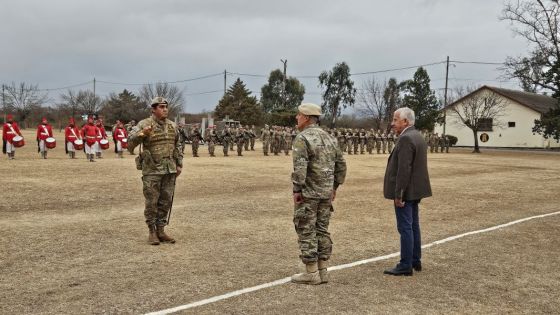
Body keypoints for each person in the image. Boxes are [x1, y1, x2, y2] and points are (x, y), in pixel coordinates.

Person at [290, 103, 347, 285]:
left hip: (308, 193)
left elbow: (300, 169)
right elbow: (341, 166)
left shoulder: (302, 138)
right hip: (325, 194)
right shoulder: (330, 138)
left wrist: (297, 189)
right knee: (322, 230)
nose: (296, 118)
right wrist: (334, 187)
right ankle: (323, 271)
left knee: (306, 229)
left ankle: (311, 273)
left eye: (299, 115)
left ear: (306, 117)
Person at [128, 97, 183, 245]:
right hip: (152, 170)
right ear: (153, 109)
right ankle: (152, 232)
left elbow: (178, 145)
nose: (165, 109)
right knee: (152, 202)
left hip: (169, 170)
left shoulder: (172, 125)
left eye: (166, 106)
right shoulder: (144, 124)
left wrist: (179, 164)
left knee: (165, 201)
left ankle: (161, 230)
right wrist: (142, 134)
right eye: (161, 107)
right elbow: (129, 143)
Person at [383, 107, 432, 276]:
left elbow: (404, 170)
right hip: (416, 190)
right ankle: (415, 260)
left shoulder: (405, 138)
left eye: (395, 120)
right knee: (413, 226)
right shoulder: (417, 135)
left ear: (405, 121)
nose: (392, 123)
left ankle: (405, 264)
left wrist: (399, 194)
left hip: (407, 191)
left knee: (405, 227)